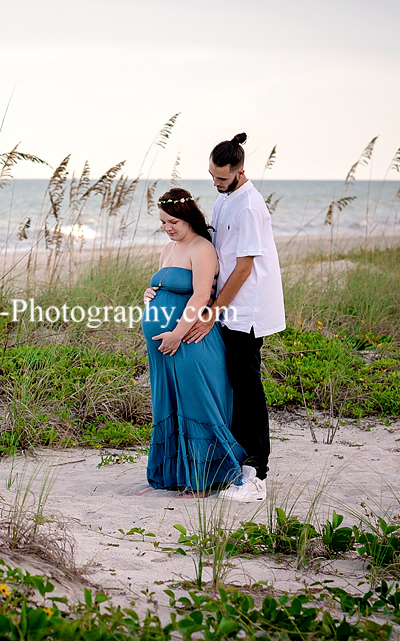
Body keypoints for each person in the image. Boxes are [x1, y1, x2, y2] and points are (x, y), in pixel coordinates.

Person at [182, 132, 286, 503]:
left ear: (240, 172)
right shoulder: (225, 199)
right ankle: (232, 461)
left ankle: (257, 473)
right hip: (228, 305)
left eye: (221, 178)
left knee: (247, 387)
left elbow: (243, 269)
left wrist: (212, 312)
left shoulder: (248, 205)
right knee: (229, 383)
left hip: (248, 310)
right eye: (212, 176)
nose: (215, 183)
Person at [142, 187, 246, 498]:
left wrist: (176, 333)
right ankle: (176, 475)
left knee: (194, 403)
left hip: (189, 340)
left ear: (189, 218)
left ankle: (204, 481)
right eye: (163, 222)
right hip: (165, 345)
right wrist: (149, 296)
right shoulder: (168, 249)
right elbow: (166, 286)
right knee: (170, 403)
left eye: (173, 221)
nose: (168, 228)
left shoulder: (202, 248)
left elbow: (201, 295)